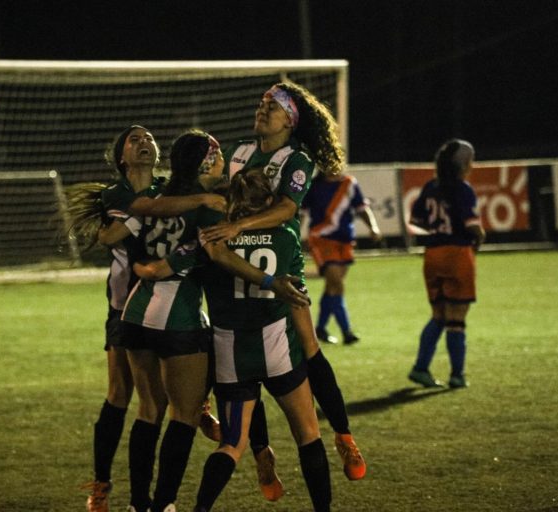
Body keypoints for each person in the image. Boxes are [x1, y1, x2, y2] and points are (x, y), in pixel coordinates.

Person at [122, 130, 308, 512]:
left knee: (148, 411)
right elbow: (214, 252)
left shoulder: (159, 196)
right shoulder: (213, 208)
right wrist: (271, 281)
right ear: (206, 162)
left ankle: (139, 504)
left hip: (135, 314)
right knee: (187, 413)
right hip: (178, 316)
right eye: (219, 156)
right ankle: (165, 504)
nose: (226, 161)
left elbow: (134, 229)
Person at [201, 81, 366, 482]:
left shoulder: (296, 158)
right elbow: (221, 192)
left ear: (290, 120)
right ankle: (261, 453)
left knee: (309, 348)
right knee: (240, 360)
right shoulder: (240, 151)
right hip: (235, 260)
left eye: (271, 107)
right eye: (260, 104)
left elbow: (287, 209)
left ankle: (343, 436)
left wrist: (239, 223)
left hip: (279, 259)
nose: (261, 110)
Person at [68, 125, 225, 512]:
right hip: (129, 307)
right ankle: (108, 486)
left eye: (150, 138)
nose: (144, 142)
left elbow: (156, 212)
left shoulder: (163, 191)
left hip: (143, 308)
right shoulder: (118, 194)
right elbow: (128, 225)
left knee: (153, 403)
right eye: (134, 139)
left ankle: (144, 500)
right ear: (121, 156)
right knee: (124, 396)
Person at [407, 139, 485, 389]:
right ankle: (457, 375)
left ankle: (420, 368)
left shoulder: (430, 186)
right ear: (463, 163)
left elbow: (416, 221)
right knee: (456, 319)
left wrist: (435, 232)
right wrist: (480, 237)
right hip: (457, 255)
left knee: (438, 315)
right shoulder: (463, 189)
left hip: (433, 255)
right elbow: (472, 226)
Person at [301, 168, 382, 345]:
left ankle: (321, 329)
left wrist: (373, 227)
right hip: (321, 239)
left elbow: (362, 208)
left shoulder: (349, 183)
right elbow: (301, 212)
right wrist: (296, 236)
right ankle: (347, 332)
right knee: (337, 284)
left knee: (332, 287)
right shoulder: (314, 186)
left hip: (345, 241)